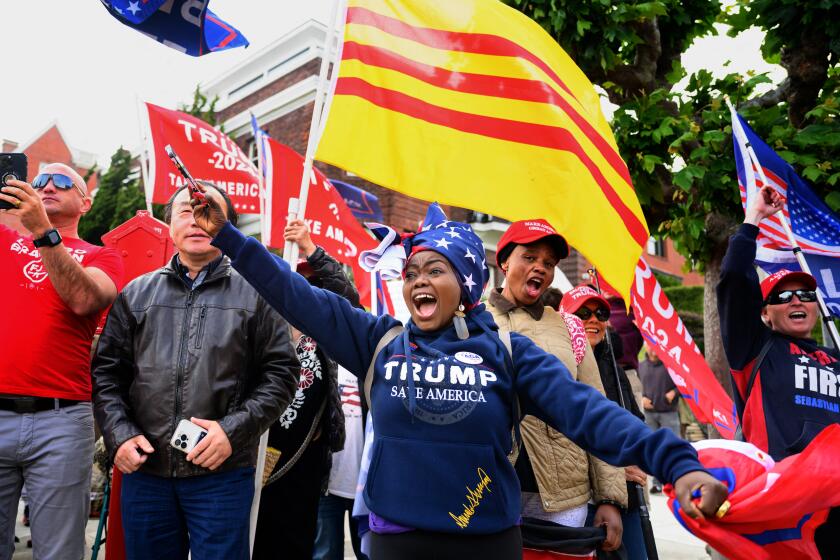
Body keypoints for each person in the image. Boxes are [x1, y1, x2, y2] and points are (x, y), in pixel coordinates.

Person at [192, 194, 728, 560]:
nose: (417, 282)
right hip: (396, 543)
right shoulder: (378, 341)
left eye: (434, 270)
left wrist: (676, 463)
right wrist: (231, 239)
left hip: (487, 542)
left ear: (466, 283)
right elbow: (294, 293)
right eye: (411, 274)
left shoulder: (510, 354)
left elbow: (591, 414)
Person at [91, 183, 299, 560]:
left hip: (221, 472)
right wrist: (119, 435)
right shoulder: (135, 294)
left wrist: (232, 431)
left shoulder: (257, 294)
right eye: (187, 211)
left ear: (228, 226)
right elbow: (106, 374)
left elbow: (282, 374)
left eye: (208, 211)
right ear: (169, 224)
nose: (197, 220)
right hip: (146, 471)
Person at [0, 164, 123, 559]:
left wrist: (41, 232)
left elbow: (86, 299)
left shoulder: (103, 256)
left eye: (63, 181)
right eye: (38, 181)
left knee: (58, 551)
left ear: (85, 202)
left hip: (61, 420)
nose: (47, 186)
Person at [488, 219, 627, 554]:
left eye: (548, 263)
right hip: (490, 489)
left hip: (566, 496)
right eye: (529, 257)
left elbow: (597, 411)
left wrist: (610, 498)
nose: (540, 268)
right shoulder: (470, 321)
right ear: (504, 261)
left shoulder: (569, 327)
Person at [717, 184, 840, 559]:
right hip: (781, 505)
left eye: (805, 294)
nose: (797, 300)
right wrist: (752, 220)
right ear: (765, 313)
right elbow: (735, 281)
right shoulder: (755, 348)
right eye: (783, 297)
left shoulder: (835, 359)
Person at [253, 219, 360, 560]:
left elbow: (349, 300)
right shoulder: (261, 329)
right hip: (258, 452)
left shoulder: (324, 334)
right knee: (256, 538)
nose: (304, 291)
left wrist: (310, 248)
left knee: (299, 543)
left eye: (311, 285)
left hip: (306, 460)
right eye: (296, 284)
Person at [560, 286, 649, 560]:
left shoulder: (614, 368)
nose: (594, 320)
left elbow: (635, 425)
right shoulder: (555, 367)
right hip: (578, 502)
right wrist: (614, 468)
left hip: (626, 498)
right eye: (583, 313)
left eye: (600, 313)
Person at [312, 365, 369, 560]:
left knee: (369, 554)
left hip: (366, 490)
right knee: (324, 554)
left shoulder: (369, 363)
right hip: (327, 485)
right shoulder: (322, 363)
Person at [638, 343, 680, 493]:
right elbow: (636, 386)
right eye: (649, 345)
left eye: (654, 345)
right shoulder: (640, 366)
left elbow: (682, 383)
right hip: (649, 414)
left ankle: (676, 480)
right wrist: (641, 398)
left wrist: (674, 393)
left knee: (672, 447)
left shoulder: (670, 365)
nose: (652, 348)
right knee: (653, 449)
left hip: (669, 412)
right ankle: (657, 483)